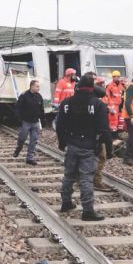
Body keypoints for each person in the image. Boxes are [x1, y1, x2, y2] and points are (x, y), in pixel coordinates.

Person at [56, 75, 108, 221]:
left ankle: (66, 202)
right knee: (86, 178)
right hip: (88, 146)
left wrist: (62, 142)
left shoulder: (66, 103)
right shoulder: (98, 104)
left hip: (72, 144)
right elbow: (104, 129)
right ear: (92, 88)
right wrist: (108, 150)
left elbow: (60, 126)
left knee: (69, 175)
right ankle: (87, 211)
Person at [92, 75, 115, 192]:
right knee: (101, 156)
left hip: (86, 134)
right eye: (100, 84)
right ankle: (96, 181)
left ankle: (82, 179)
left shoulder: (89, 99)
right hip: (97, 134)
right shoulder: (98, 102)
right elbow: (103, 126)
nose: (102, 85)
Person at [13, 80, 44, 165]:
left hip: (35, 122)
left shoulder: (39, 96)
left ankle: (30, 158)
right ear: (32, 86)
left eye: (39, 86)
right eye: (37, 86)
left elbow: (41, 109)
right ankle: (19, 148)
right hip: (25, 122)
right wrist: (18, 119)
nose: (39, 88)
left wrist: (43, 120)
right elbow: (17, 108)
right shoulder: (24, 96)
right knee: (22, 138)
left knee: (34, 140)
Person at [105, 70, 125, 143]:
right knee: (113, 121)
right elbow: (108, 97)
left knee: (118, 121)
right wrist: (110, 107)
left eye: (118, 77)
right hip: (113, 106)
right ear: (113, 77)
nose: (117, 78)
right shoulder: (109, 86)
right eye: (115, 77)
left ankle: (116, 134)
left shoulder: (121, 85)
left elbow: (122, 95)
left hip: (119, 105)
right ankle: (112, 136)